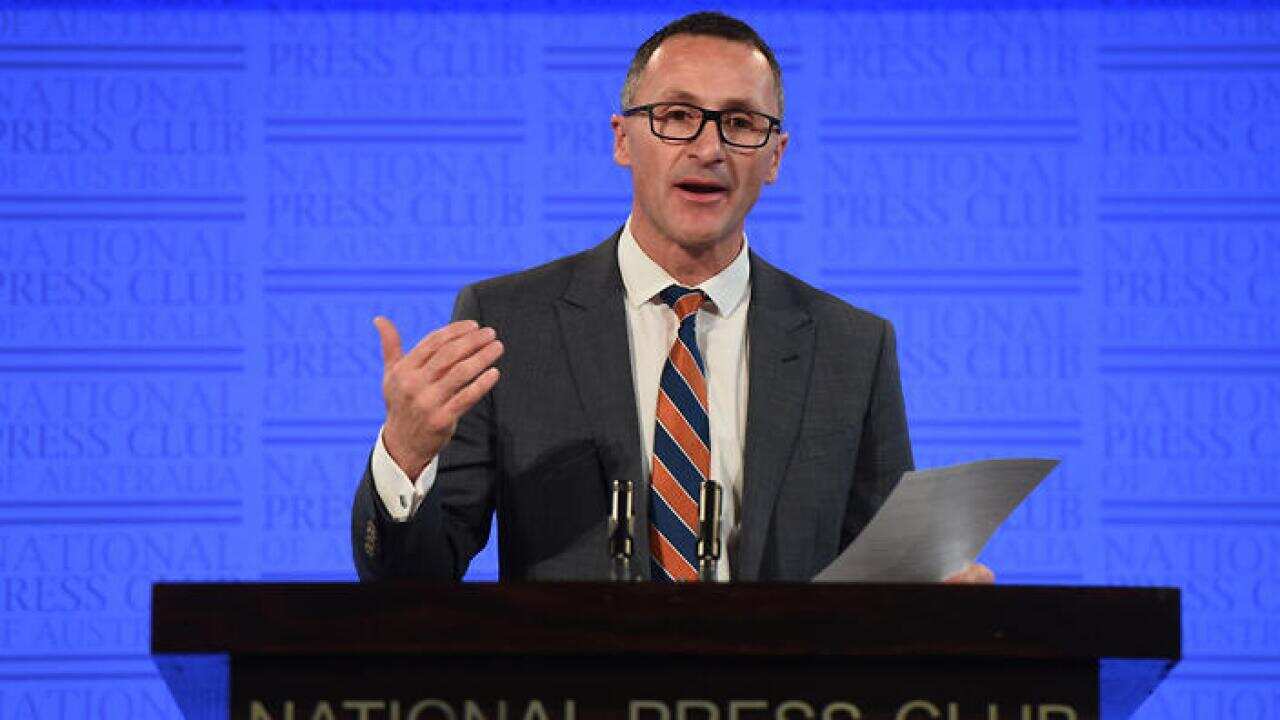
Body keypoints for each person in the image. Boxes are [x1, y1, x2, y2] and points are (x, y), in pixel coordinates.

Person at [350, 11, 993, 584]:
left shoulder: (852, 346)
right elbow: (411, 583)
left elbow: (881, 578)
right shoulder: (510, 323)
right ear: (622, 139)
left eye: (740, 123)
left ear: (775, 156)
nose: (709, 148)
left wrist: (932, 601)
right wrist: (406, 454)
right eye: (677, 116)